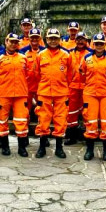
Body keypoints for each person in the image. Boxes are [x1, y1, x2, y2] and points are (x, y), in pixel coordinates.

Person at [33, 28, 73, 159]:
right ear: (46, 40)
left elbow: (71, 73)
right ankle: (42, 147)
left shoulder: (66, 55)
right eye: (51, 38)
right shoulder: (40, 55)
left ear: (59, 39)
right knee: (43, 119)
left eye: (55, 38)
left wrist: (62, 84)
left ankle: (59, 148)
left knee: (60, 120)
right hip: (44, 92)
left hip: (61, 93)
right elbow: (36, 74)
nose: (53, 41)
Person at [0, 33, 30, 157]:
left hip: (20, 94)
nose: (13, 44)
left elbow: (29, 74)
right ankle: (5, 146)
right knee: (1, 120)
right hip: (2, 94)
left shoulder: (23, 57)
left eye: (15, 42)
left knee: (21, 120)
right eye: (11, 41)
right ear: (6, 41)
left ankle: (21, 147)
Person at [79, 33, 106, 161]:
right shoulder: (86, 58)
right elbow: (82, 74)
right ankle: (89, 150)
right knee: (90, 122)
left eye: (101, 44)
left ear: (105, 44)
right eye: (97, 44)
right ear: (93, 45)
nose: (99, 46)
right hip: (90, 94)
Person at [65, 31, 92, 145]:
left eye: (82, 39)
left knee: (87, 112)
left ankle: (87, 135)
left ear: (86, 41)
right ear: (75, 40)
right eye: (78, 39)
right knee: (71, 112)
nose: (80, 41)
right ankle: (72, 136)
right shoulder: (69, 53)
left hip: (87, 88)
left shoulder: (91, 54)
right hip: (73, 87)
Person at [20, 27, 45, 146]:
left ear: (40, 38)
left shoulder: (45, 52)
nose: (34, 40)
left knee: (43, 112)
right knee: (25, 112)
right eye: (32, 38)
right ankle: (24, 136)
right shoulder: (22, 52)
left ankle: (43, 136)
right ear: (28, 38)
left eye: (36, 37)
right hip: (27, 87)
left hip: (42, 87)